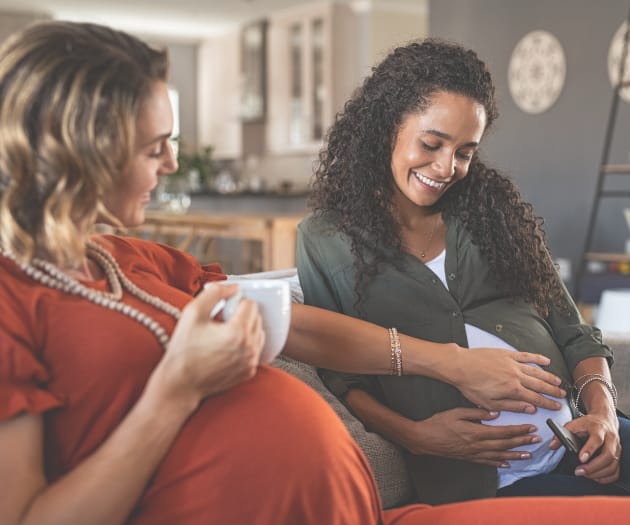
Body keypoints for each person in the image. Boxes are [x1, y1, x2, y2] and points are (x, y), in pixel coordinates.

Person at [2, 21, 630, 525]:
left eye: (464, 151)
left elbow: (298, 327)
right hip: (446, 485)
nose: (172, 163)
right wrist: (177, 388)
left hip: (387, 496)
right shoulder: (13, 300)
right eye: (153, 146)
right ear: (79, 150)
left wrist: (460, 365)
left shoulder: (139, 262)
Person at [297, 38, 630, 505]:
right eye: (431, 144)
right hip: (492, 484)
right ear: (386, 126)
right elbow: (343, 377)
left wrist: (604, 414)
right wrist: (416, 436)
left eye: (465, 152)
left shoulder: (492, 212)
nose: (446, 167)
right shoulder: (324, 239)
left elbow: (574, 331)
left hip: (587, 440)